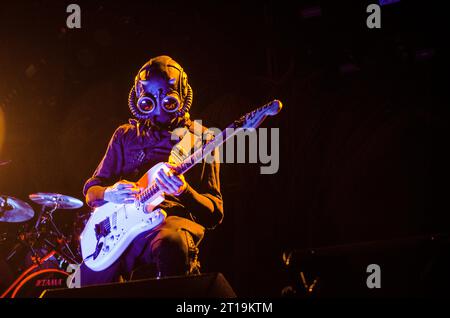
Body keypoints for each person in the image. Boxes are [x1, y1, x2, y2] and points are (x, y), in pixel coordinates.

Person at [80, 56, 223, 286]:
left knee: (171, 242)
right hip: (125, 229)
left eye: (167, 100)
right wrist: (109, 193)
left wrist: (185, 191)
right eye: (149, 103)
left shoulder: (202, 138)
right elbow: (91, 192)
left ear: (182, 95)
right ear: (139, 99)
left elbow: (214, 213)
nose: (157, 111)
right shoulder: (125, 135)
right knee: (89, 273)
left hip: (172, 222)